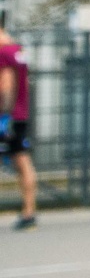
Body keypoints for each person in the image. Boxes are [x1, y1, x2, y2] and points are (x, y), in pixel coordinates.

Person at [0, 27, 36, 230]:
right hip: (21, 115)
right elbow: (25, 83)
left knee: (21, 162)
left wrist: (5, 115)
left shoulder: (3, 53)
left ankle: (28, 213)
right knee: (23, 162)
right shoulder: (18, 51)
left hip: (7, 117)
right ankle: (28, 211)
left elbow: (6, 85)